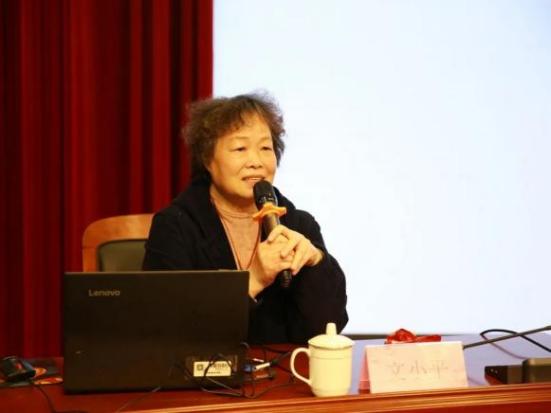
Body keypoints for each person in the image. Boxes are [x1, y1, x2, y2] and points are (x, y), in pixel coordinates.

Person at [143, 92, 348, 344]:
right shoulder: (176, 226)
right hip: (207, 369)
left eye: (265, 148)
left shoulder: (298, 224)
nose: (256, 162)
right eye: (240, 148)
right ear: (207, 159)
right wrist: (254, 279)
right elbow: (166, 328)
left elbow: (328, 327)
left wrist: (315, 261)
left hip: (286, 368)